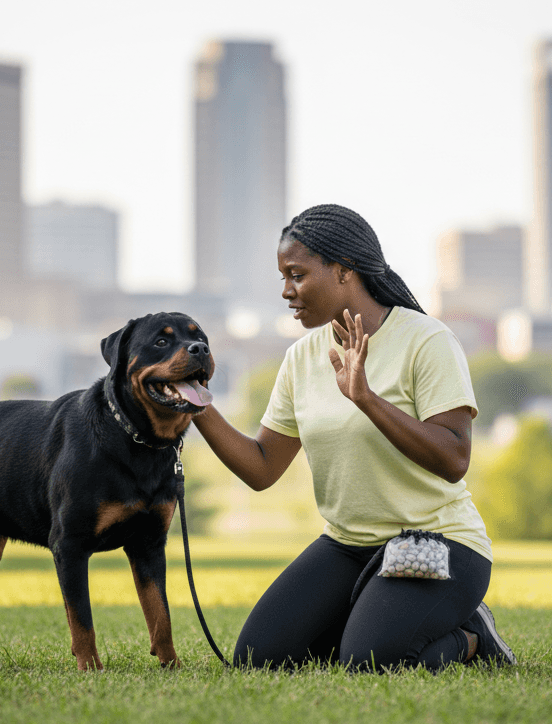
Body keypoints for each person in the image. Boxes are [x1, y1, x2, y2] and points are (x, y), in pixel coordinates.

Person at [192, 203, 516, 671]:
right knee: (258, 659)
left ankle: (472, 636)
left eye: (297, 275)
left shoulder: (426, 340)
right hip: (348, 545)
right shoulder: (301, 357)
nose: (286, 291)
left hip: (436, 542)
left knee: (369, 662)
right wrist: (196, 403)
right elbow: (263, 467)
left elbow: (454, 459)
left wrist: (366, 398)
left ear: (344, 270)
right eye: (283, 277)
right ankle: (371, 617)